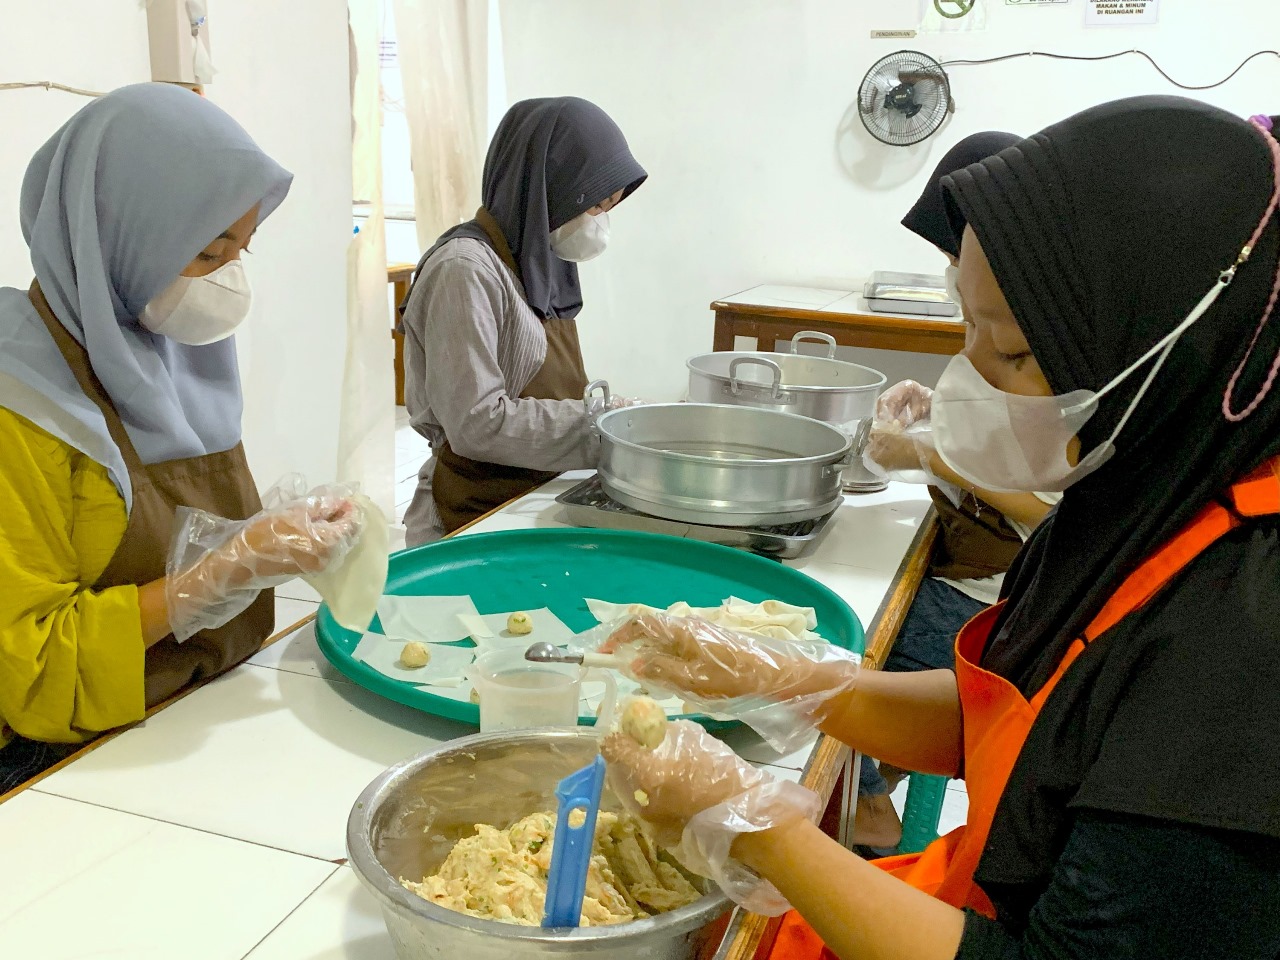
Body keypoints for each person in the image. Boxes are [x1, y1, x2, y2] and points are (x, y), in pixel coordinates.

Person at [601, 97, 1280, 959]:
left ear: (1165, 345)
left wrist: (761, 828)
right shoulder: (1133, 496)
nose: (974, 381)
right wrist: (788, 680)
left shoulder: (1244, 644)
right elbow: (1007, 723)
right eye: (969, 330)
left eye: (1015, 354)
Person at [0, 84, 360, 792]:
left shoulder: (169, 350)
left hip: (189, 706)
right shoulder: (20, 403)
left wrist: (271, 542)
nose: (229, 280)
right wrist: (212, 578)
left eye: (241, 249)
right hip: (59, 761)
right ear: (118, 231)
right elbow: (29, 664)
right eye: (206, 251)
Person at [854, 133, 1061, 849]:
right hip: (982, 577)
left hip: (998, 602)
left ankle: (866, 807)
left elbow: (1043, 510)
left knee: (852, 626)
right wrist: (939, 415)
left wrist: (924, 452)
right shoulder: (1014, 326)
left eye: (955, 256)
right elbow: (998, 435)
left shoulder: (1059, 348)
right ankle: (863, 785)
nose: (950, 274)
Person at [400, 97, 647, 545]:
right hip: (473, 505)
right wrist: (601, 424)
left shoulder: (538, 262)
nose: (601, 225)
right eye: (594, 206)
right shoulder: (465, 270)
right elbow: (476, 423)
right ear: (546, 188)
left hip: (532, 490)